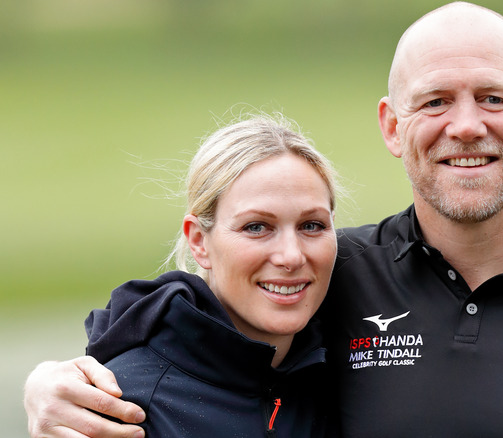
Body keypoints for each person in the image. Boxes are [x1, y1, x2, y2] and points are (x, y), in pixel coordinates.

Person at [24, 2, 503, 437]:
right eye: (435, 102)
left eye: (494, 99)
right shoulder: (330, 275)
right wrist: (54, 381)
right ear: (392, 127)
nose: (466, 127)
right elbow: (181, 329)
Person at [28, 114, 340, 437]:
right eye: (256, 227)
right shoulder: (124, 405)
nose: (291, 256)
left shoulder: (356, 367)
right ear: (199, 241)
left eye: (311, 225)